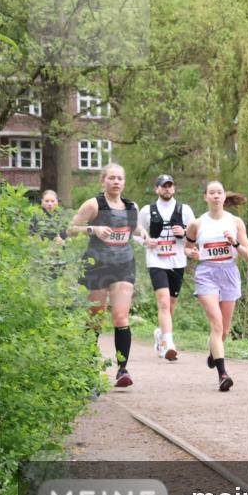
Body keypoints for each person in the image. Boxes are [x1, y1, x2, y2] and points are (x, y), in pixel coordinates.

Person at [67, 163, 144, 387]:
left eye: (120, 178)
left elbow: (135, 229)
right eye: (111, 178)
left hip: (123, 265)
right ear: (103, 181)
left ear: (124, 182)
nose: (116, 182)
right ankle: (89, 367)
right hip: (97, 265)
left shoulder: (131, 206)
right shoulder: (93, 204)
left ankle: (122, 370)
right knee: (95, 319)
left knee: (120, 317)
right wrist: (93, 229)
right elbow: (71, 228)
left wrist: (147, 237)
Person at [184, 181, 248, 392]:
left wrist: (235, 243)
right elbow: (188, 247)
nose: (215, 196)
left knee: (224, 331)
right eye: (211, 193)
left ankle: (214, 352)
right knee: (217, 324)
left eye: (219, 192)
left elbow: (247, 255)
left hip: (229, 272)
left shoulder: (235, 222)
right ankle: (223, 375)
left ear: (224, 196)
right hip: (207, 274)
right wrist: (192, 254)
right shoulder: (196, 223)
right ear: (205, 197)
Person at [136, 174, 196, 361]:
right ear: (157, 189)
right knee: (162, 302)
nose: (167, 189)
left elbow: (195, 234)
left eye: (170, 186)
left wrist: (185, 232)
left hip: (177, 262)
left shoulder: (184, 210)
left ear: (174, 189)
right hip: (156, 261)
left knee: (170, 306)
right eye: (163, 186)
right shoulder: (147, 210)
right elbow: (136, 232)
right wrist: (146, 242)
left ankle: (160, 334)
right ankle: (169, 344)